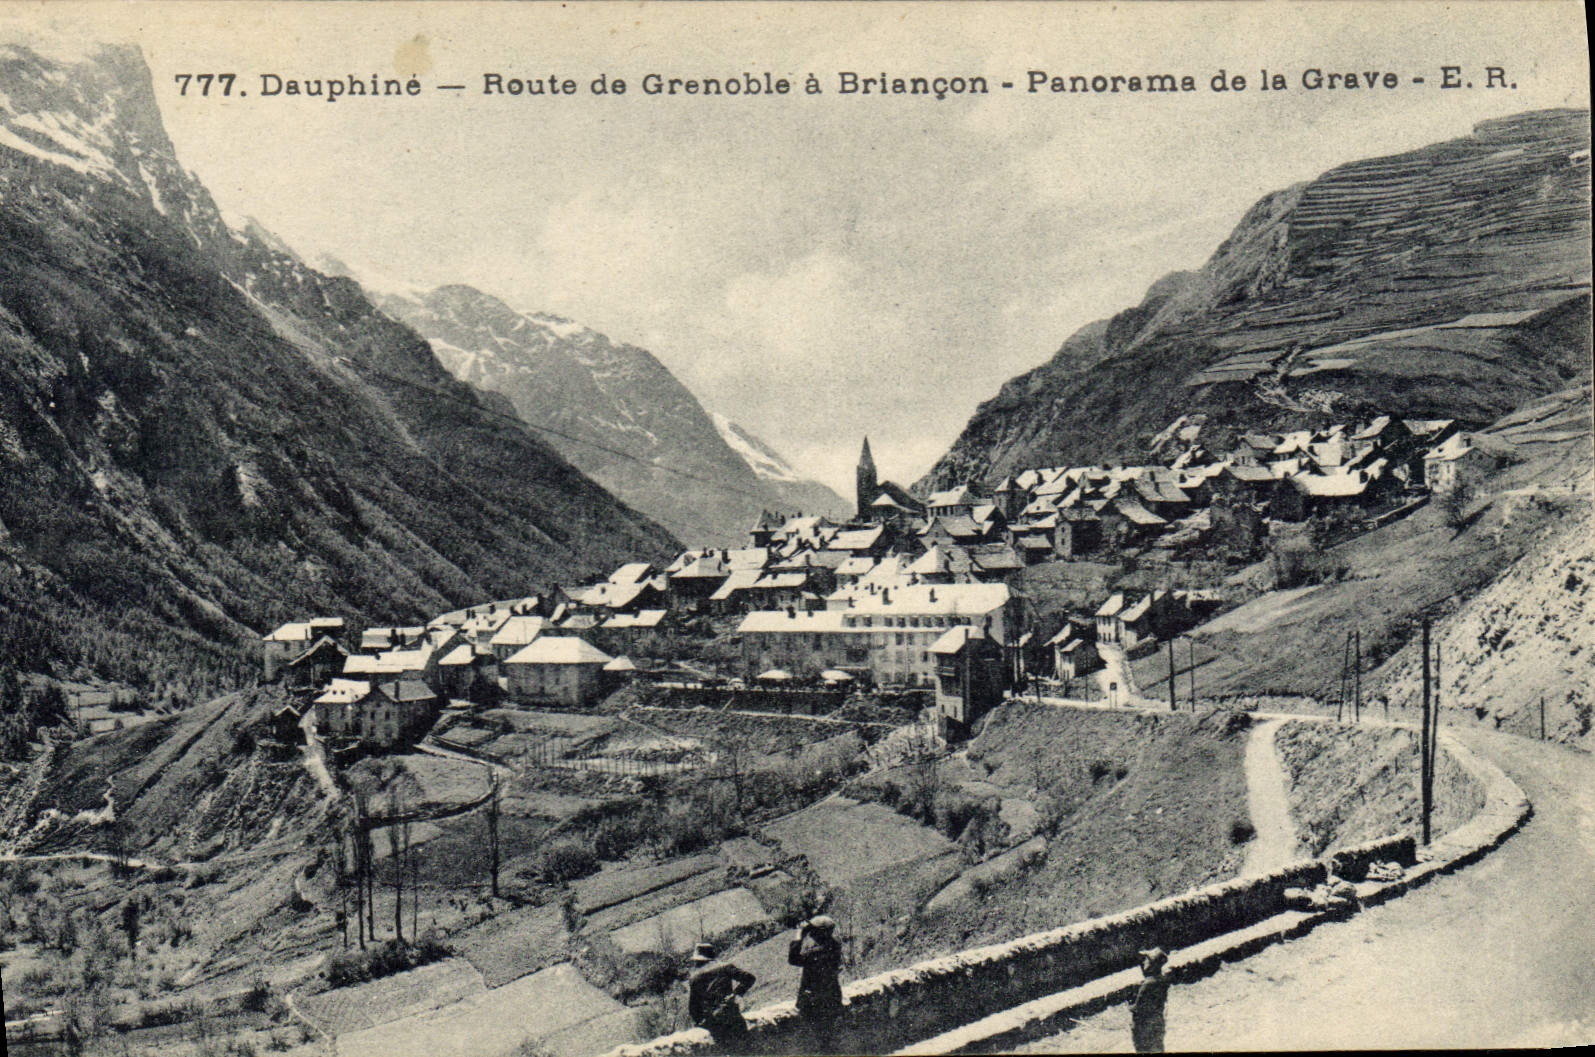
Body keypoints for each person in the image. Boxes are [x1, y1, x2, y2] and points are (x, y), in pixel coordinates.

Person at [787, 915, 844, 1050]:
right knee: (829, 1038)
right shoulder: (834, 945)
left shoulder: (815, 953)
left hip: (815, 1002)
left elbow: (793, 959)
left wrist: (799, 934)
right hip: (832, 997)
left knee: (820, 1041)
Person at [688, 942, 756, 1045]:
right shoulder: (725, 967)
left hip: (714, 1024)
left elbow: (693, 1008)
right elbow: (749, 978)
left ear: (698, 961)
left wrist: (700, 1022)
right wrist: (736, 994)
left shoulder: (694, 979)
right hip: (733, 1016)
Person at [1131, 946, 1171, 1053]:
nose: (1144, 962)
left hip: (1144, 1026)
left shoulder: (1147, 984)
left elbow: (1137, 1008)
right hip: (1158, 1021)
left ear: (1152, 964)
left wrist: (1130, 1006)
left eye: (1147, 960)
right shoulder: (1162, 979)